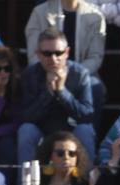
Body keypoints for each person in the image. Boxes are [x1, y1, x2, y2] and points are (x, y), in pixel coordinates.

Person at [19, 30, 98, 163]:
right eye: (47, 54)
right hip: (42, 131)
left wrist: (62, 92)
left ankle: (87, 181)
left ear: (67, 52)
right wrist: (49, 93)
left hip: (71, 131)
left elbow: (87, 115)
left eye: (58, 53)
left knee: (85, 130)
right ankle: (24, 183)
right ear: (38, 54)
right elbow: (26, 116)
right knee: (26, 130)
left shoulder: (79, 74)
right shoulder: (30, 75)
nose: (53, 58)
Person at [25, 0, 106, 117]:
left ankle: (90, 131)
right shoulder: (39, 12)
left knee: (95, 87)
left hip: (81, 74)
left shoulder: (95, 15)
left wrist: (73, 74)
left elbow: (95, 57)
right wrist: (51, 71)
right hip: (45, 71)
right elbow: (33, 55)